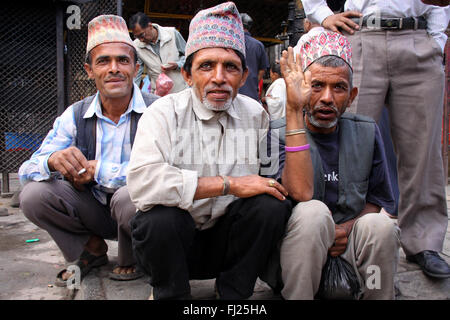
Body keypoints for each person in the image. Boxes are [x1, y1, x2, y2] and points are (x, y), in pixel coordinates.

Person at [126, 2, 313, 300]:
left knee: (270, 206)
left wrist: (294, 110)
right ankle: (170, 295)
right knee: (157, 220)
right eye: (206, 66)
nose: (218, 77)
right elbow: (141, 183)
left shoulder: (255, 114)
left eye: (230, 67)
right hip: (175, 247)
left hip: (226, 246)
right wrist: (231, 184)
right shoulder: (162, 113)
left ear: (243, 75)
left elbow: (291, 190)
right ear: (187, 76)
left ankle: (233, 295)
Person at [301, 0, 450, 278]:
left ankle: (424, 242)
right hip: (361, 34)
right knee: (346, 141)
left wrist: (437, 39)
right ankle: (340, 238)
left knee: (423, 150)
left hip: (418, 36)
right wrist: (323, 15)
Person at [18, 15, 158, 286]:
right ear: (90, 69)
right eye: (103, 61)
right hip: (93, 209)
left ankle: (134, 255)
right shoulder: (76, 114)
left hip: (138, 212)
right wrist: (52, 160)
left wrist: (100, 171)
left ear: (136, 68)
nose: (114, 68)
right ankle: (90, 249)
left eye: (123, 60)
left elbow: (168, 172)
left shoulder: (159, 111)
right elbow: (27, 171)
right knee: (33, 194)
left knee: (129, 196)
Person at [273, 31, 400, 299]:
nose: (327, 98)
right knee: (313, 213)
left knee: (381, 226)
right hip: (297, 250)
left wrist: (346, 229)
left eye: (339, 88)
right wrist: (294, 110)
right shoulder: (276, 133)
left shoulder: (367, 131)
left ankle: (376, 293)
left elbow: (376, 199)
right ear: (300, 88)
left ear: (352, 95)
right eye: (316, 85)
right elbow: (299, 193)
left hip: (347, 241)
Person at [129, 12, 188, 94]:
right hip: (158, 94)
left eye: (142, 35)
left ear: (150, 26)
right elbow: (137, 74)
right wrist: (133, 94)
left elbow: (190, 58)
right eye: (137, 37)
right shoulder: (136, 46)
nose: (141, 40)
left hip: (180, 91)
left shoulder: (172, 34)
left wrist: (177, 65)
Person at [238, 13, 269, 102]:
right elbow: (263, 69)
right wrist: (254, 80)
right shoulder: (258, 45)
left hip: (234, 93)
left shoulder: (232, 43)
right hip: (251, 94)